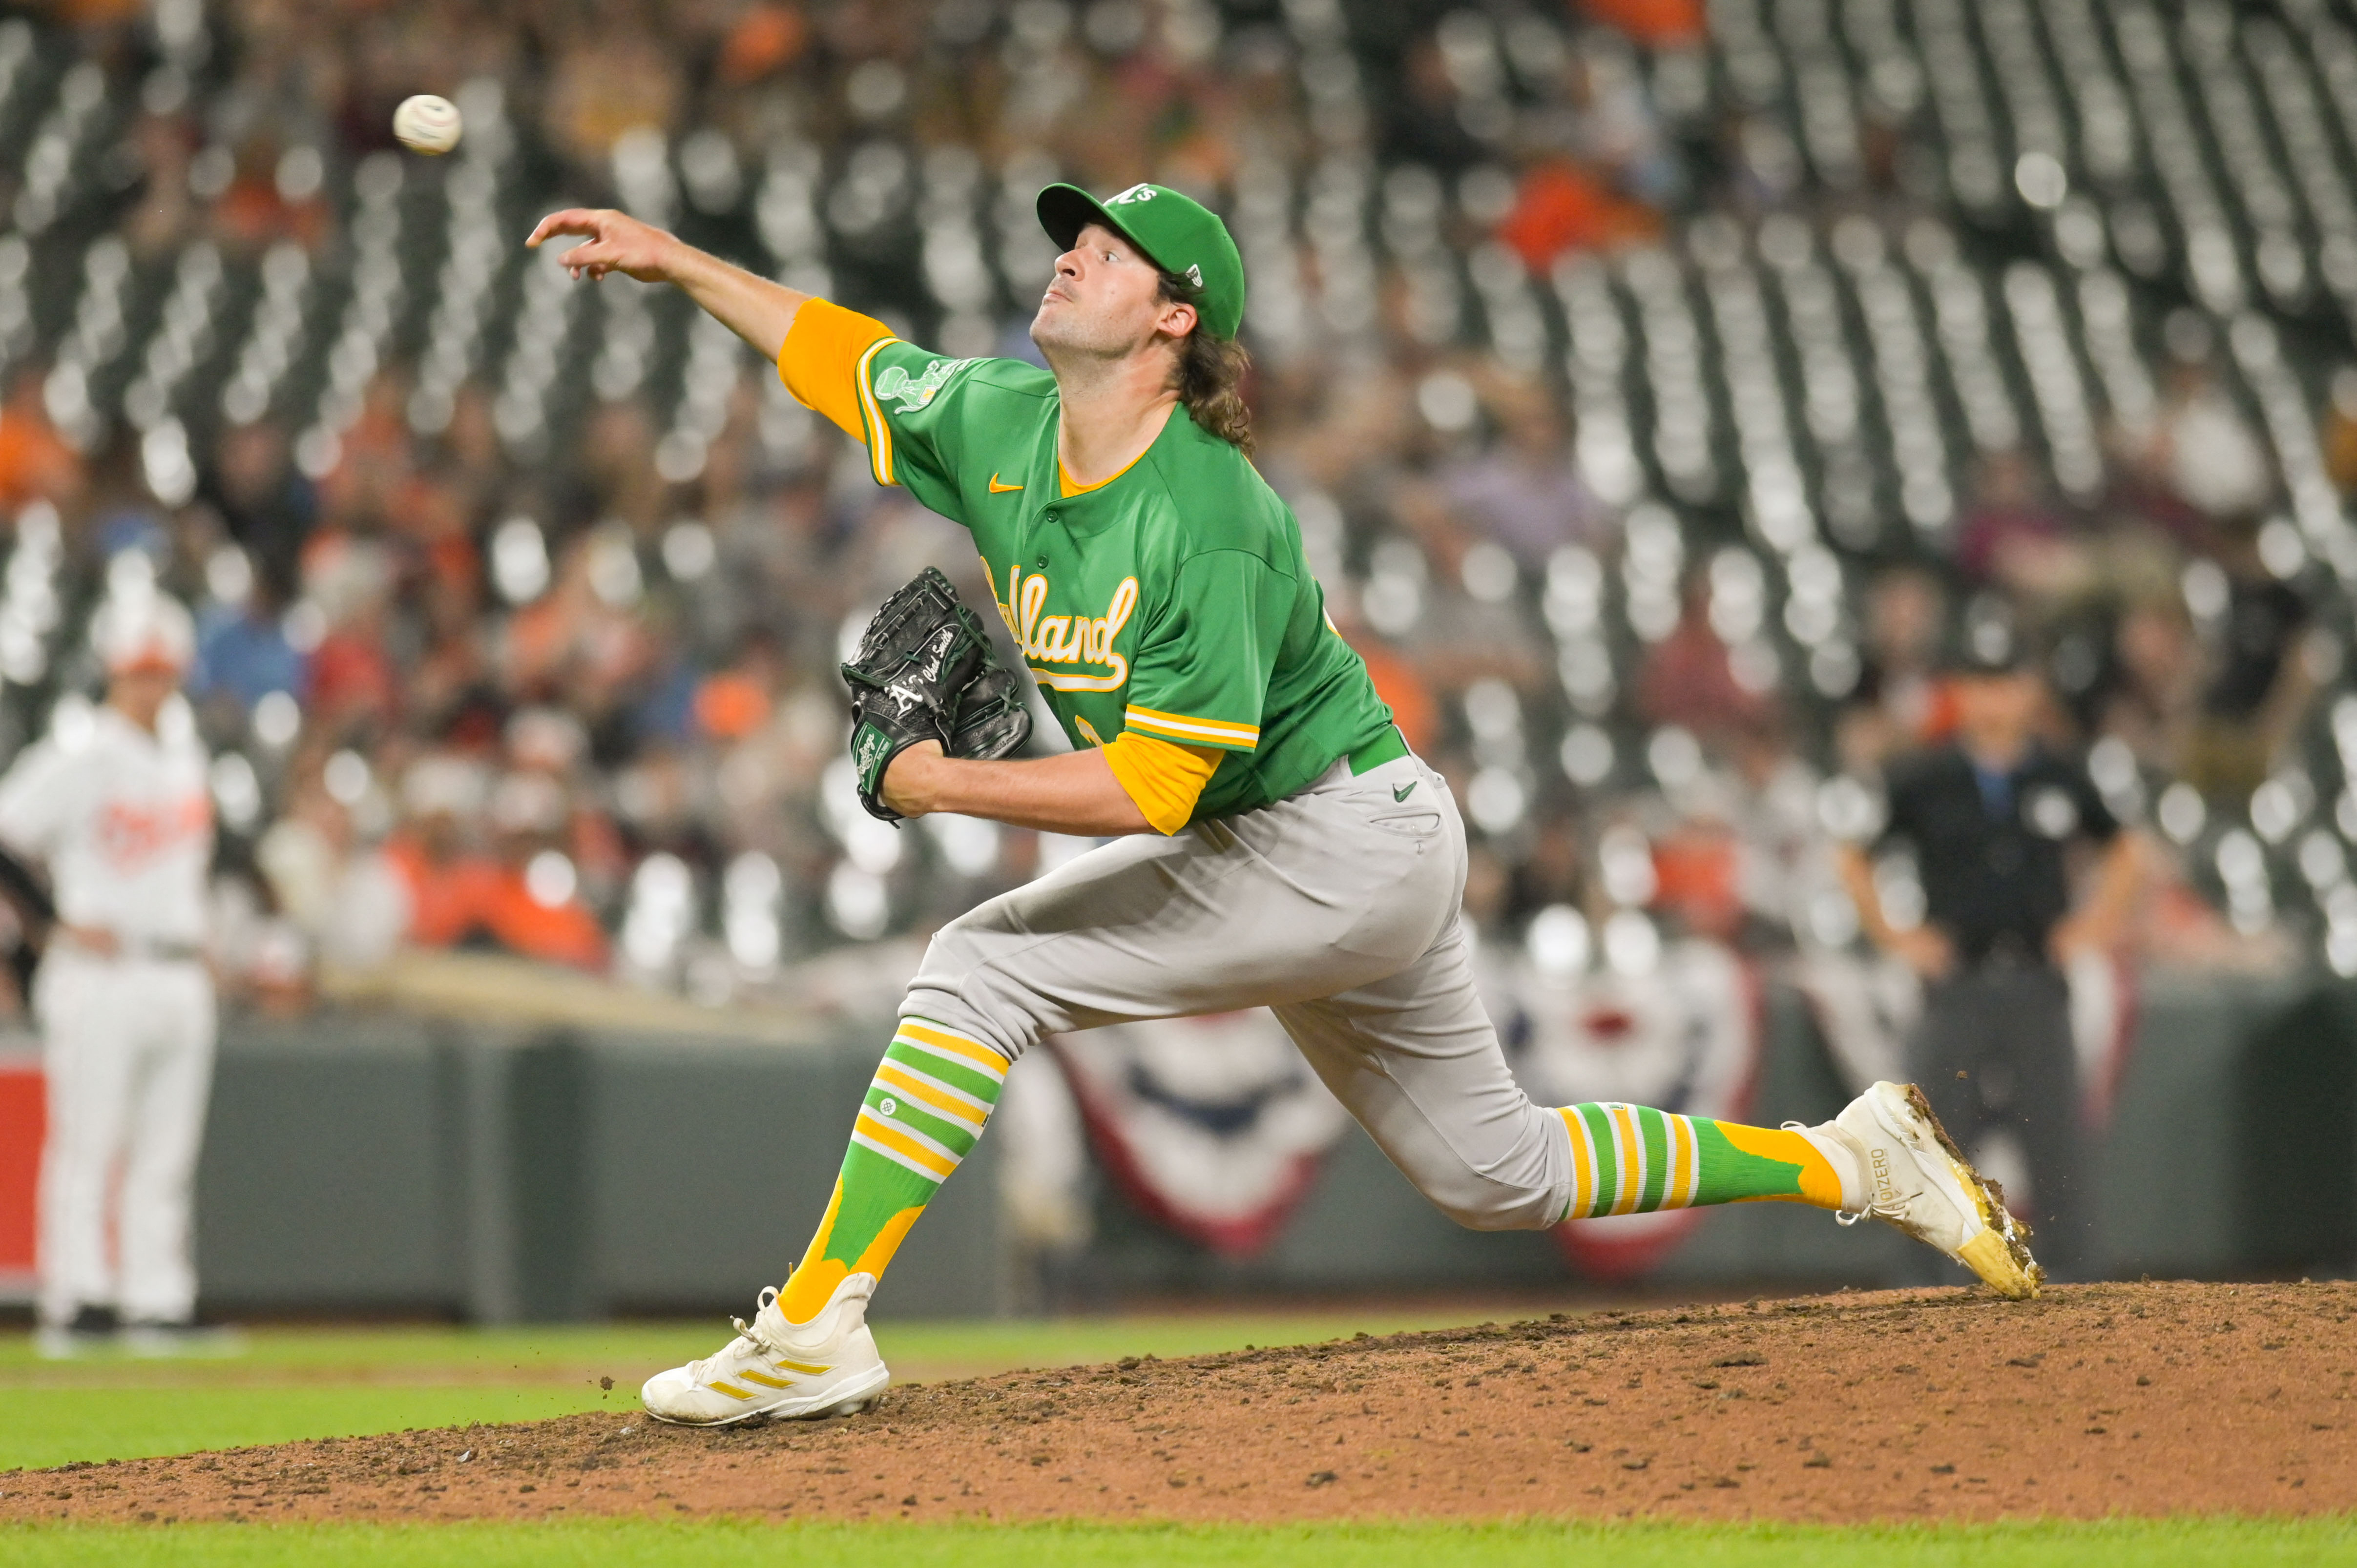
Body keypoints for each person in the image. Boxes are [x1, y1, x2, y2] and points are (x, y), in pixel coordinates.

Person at [526, 184, 2044, 1429]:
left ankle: (812, 1324)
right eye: (1073, 236)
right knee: (1491, 1169)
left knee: (975, 967)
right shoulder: (995, 420)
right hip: (1317, 840)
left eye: (1107, 251)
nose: (1069, 254)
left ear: (1174, 319)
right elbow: (838, 350)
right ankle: (1852, 1158)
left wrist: (935, 781)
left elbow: (1152, 786)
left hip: (1335, 835)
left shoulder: (1212, 516)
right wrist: (673, 261)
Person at [1837, 632, 2145, 1279]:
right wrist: (1897, 937)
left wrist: (2091, 927)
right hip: (1959, 985)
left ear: (2031, 690)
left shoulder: (2060, 772)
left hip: (2037, 979)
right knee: (1931, 1144)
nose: (1995, 699)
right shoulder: (1925, 775)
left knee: (2057, 1144)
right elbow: (1852, 851)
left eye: (2007, 682)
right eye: (1980, 683)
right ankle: (1919, 1291)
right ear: (1960, 691)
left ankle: (2075, 1286)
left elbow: (2126, 849)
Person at [0, 594, 219, 1356]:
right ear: (112, 674)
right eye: (138, 673)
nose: (151, 687)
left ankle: (157, 1300)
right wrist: (51, 925)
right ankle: (80, 1298)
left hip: (179, 967)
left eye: (161, 673)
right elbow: (7, 833)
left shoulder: (187, 753)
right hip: (104, 968)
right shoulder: (84, 749)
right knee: (89, 1141)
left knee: (166, 1148)